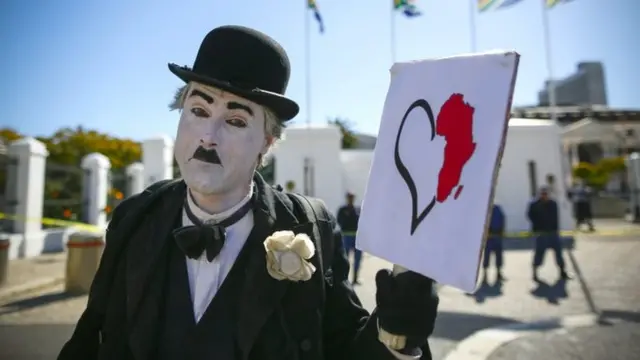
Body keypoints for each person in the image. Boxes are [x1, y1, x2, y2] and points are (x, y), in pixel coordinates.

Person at [58, 26, 438, 360]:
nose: (208, 136)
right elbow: (89, 340)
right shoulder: (135, 217)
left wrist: (394, 336)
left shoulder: (311, 226)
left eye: (236, 120)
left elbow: (346, 350)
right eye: (198, 110)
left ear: (267, 142)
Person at [527, 186, 571, 282]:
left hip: (553, 232)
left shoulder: (553, 204)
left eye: (546, 194)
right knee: (539, 253)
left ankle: (562, 272)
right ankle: (535, 272)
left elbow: (556, 217)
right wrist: (537, 226)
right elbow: (530, 216)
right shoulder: (535, 205)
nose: (545, 196)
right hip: (541, 233)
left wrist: (556, 229)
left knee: (559, 253)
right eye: (543, 194)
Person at [337, 192, 362, 285]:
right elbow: (339, 221)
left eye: (352, 197)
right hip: (346, 236)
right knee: (345, 259)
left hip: (357, 237)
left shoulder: (357, 209)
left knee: (358, 259)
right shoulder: (342, 210)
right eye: (349, 197)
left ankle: (355, 278)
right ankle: (344, 278)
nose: (351, 199)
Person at [481, 203, 505, 283]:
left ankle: (498, 273)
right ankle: (485, 275)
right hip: (488, 238)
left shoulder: (497, 208)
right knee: (487, 256)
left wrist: (501, 232)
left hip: (497, 235)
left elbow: (502, 219)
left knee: (498, 255)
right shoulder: (483, 208)